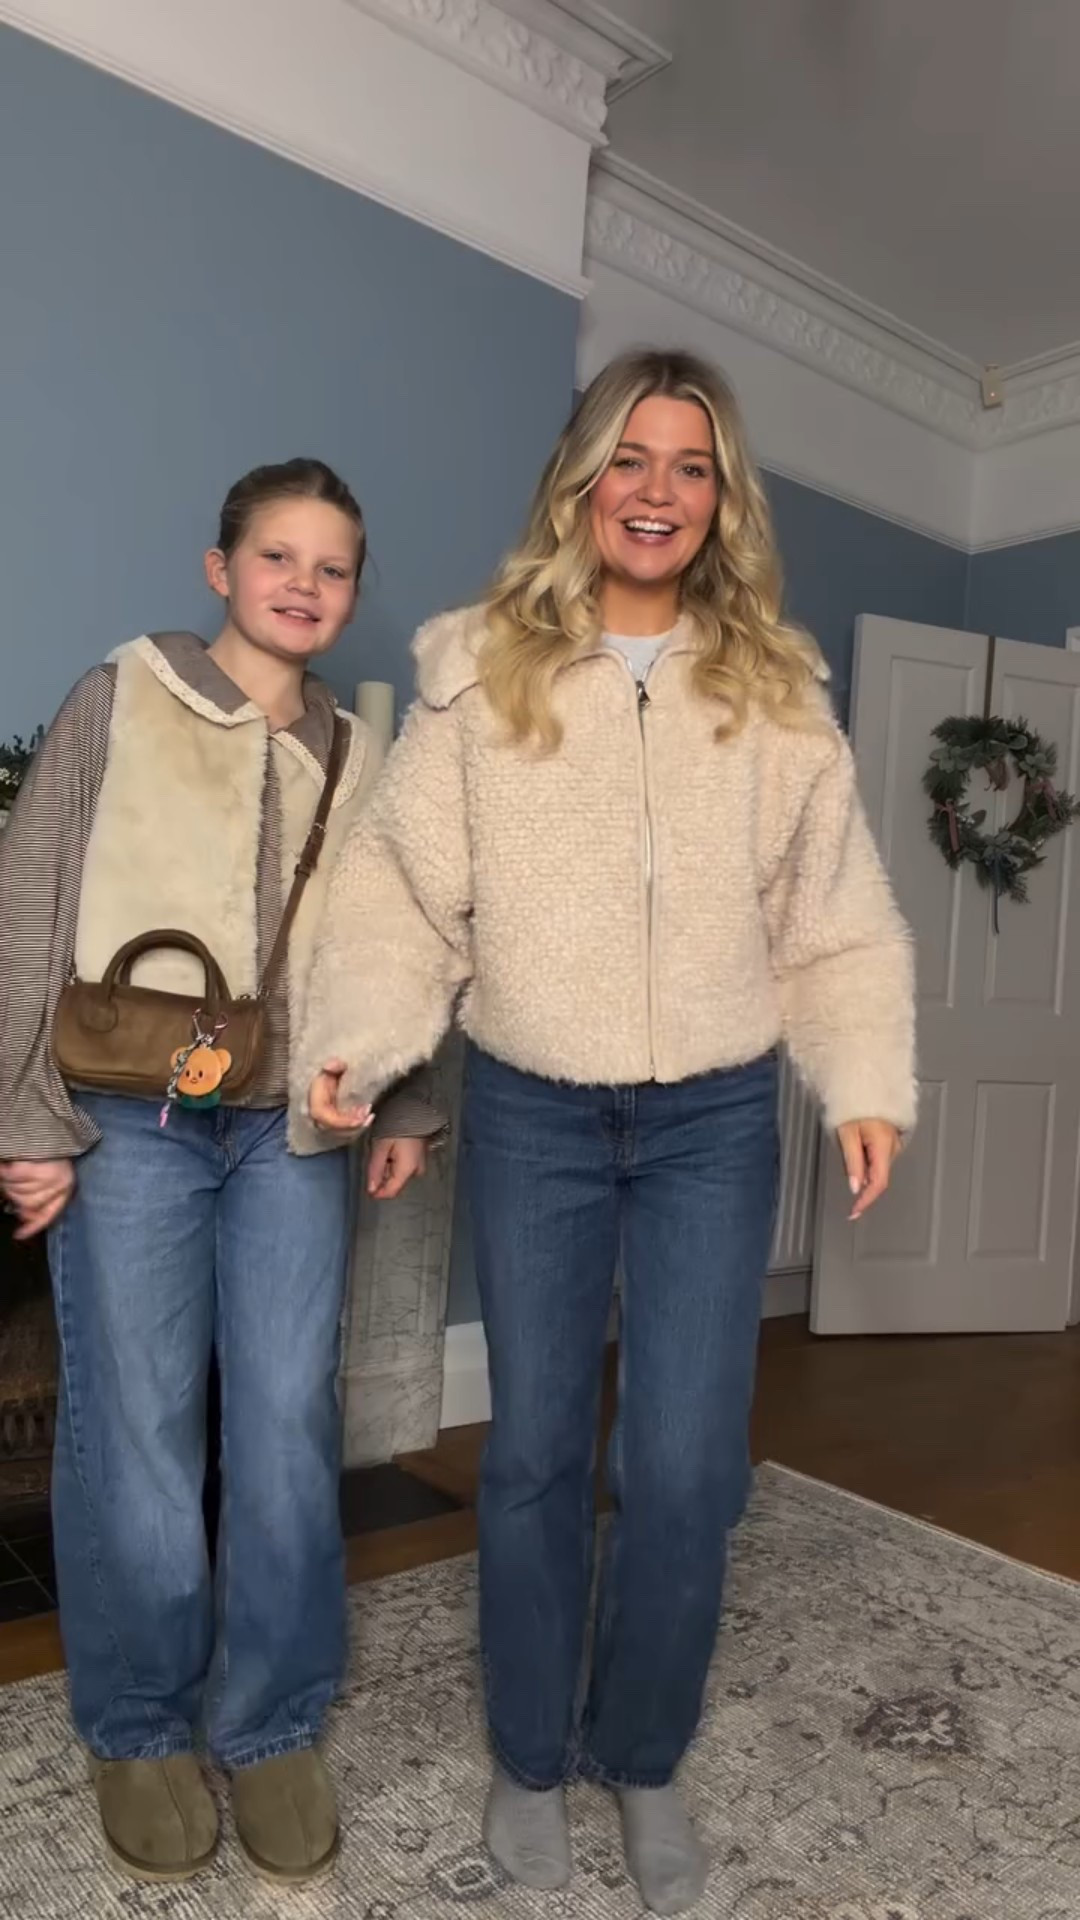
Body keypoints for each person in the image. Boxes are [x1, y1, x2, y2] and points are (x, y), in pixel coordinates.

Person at [301, 353, 916, 1916]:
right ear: (581, 486)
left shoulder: (778, 694)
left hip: (714, 1112)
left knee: (692, 1465)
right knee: (531, 1454)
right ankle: (527, 1752)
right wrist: (361, 1045)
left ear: (723, 501)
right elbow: (398, 891)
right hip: (536, 1107)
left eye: (690, 466)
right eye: (628, 460)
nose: (656, 490)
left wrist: (865, 1081)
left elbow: (833, 922)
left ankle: (641, 1757)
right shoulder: (477, 675)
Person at [0, 459, 443, 1886]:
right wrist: (24, 1114)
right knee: (134, 1429)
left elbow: (406, 936)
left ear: (352, 591)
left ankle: (271, 1724)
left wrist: (408, 1101)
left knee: (283, 1425)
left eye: (333, 566)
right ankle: (135, 1723)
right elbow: (32, 893)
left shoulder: (362, 759)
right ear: (221, 568)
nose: (305, 584)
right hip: (131, 1117)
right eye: (278, 556)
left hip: (294, 1129)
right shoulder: (116, 697)